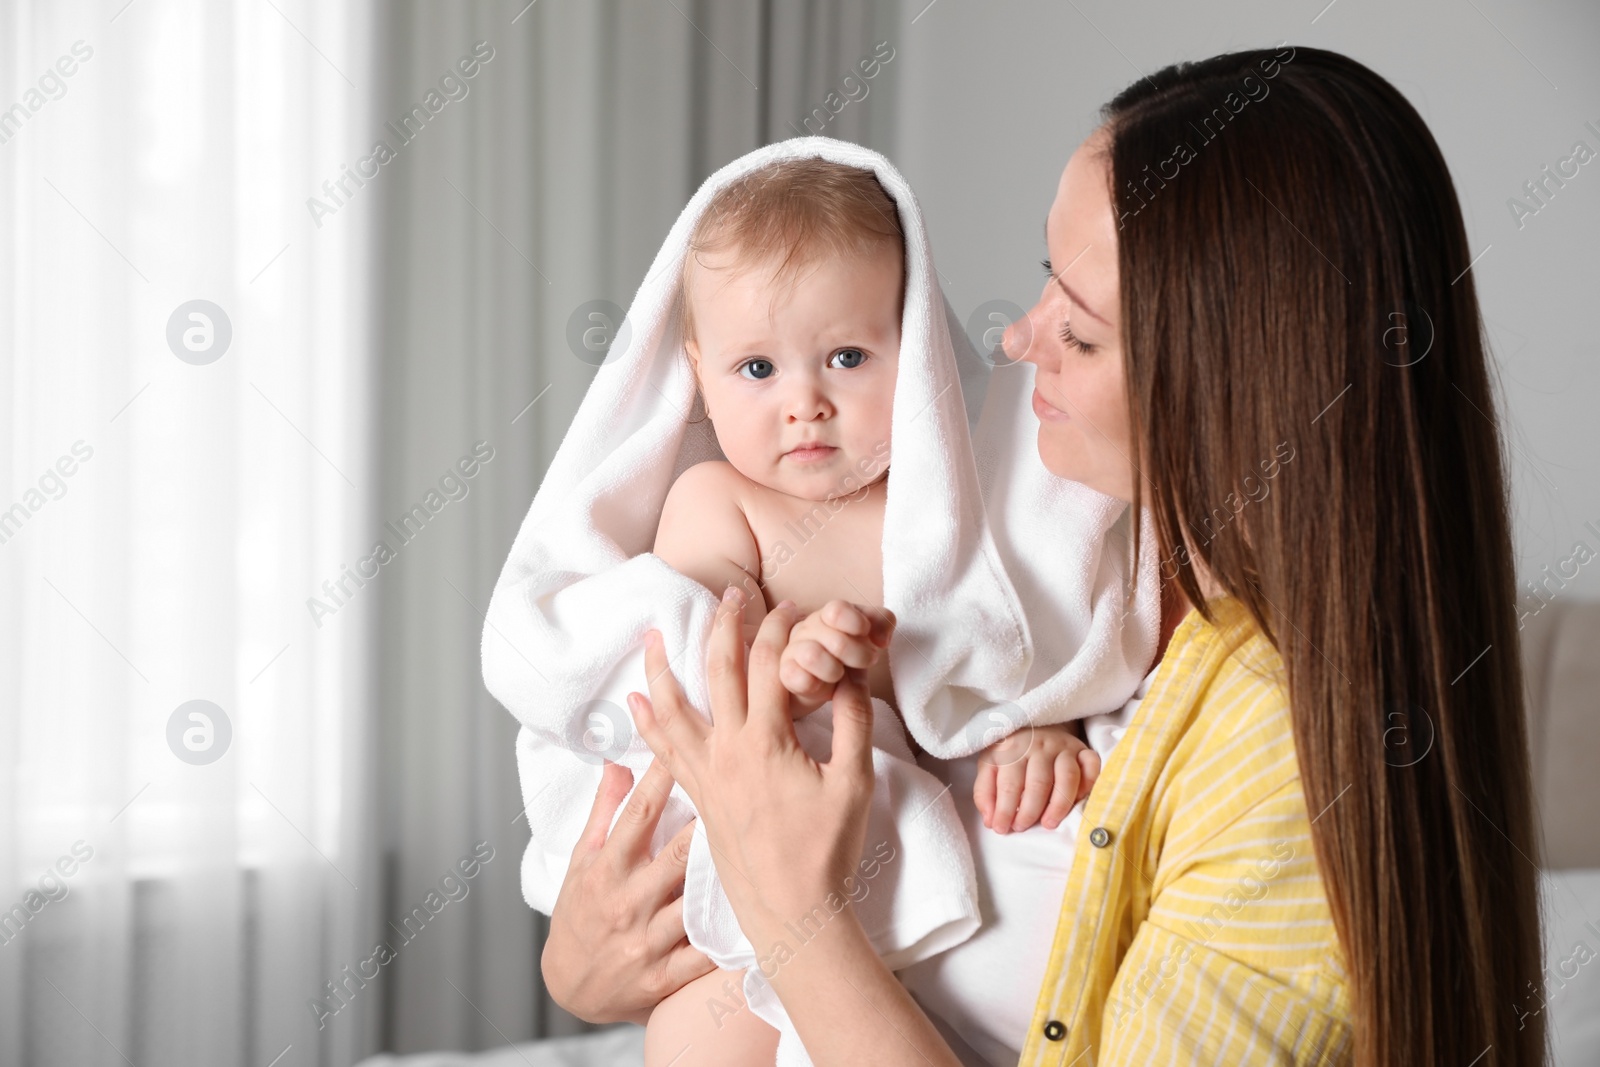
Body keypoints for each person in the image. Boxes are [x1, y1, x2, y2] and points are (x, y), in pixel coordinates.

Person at [539, 45, 1546, 1067]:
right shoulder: (1050, 539)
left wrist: (794, 910)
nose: (1018, 340)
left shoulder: (1283, 765)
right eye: (1044, 282)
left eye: (1087, 332)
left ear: (1235, 381)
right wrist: (583, 965)